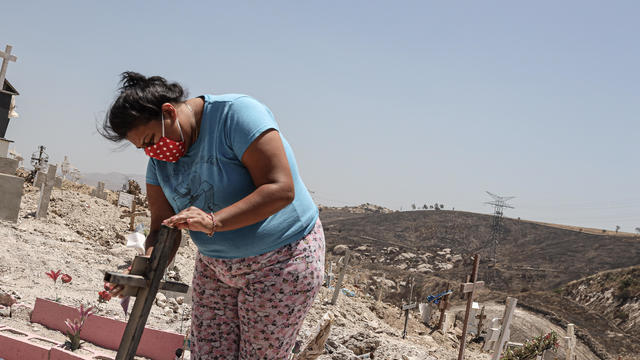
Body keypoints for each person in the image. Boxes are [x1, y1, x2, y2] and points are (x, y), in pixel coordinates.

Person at [101, 72, 324, 359]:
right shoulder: (159, 163)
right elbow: (160, 228)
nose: (151, 152)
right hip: (216, 268)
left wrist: (213, 221)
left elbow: (280, 189)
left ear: (168, 112)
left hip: (281, 261)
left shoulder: (236, 116)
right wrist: (142, 269)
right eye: (142, 148)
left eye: (151, 140)